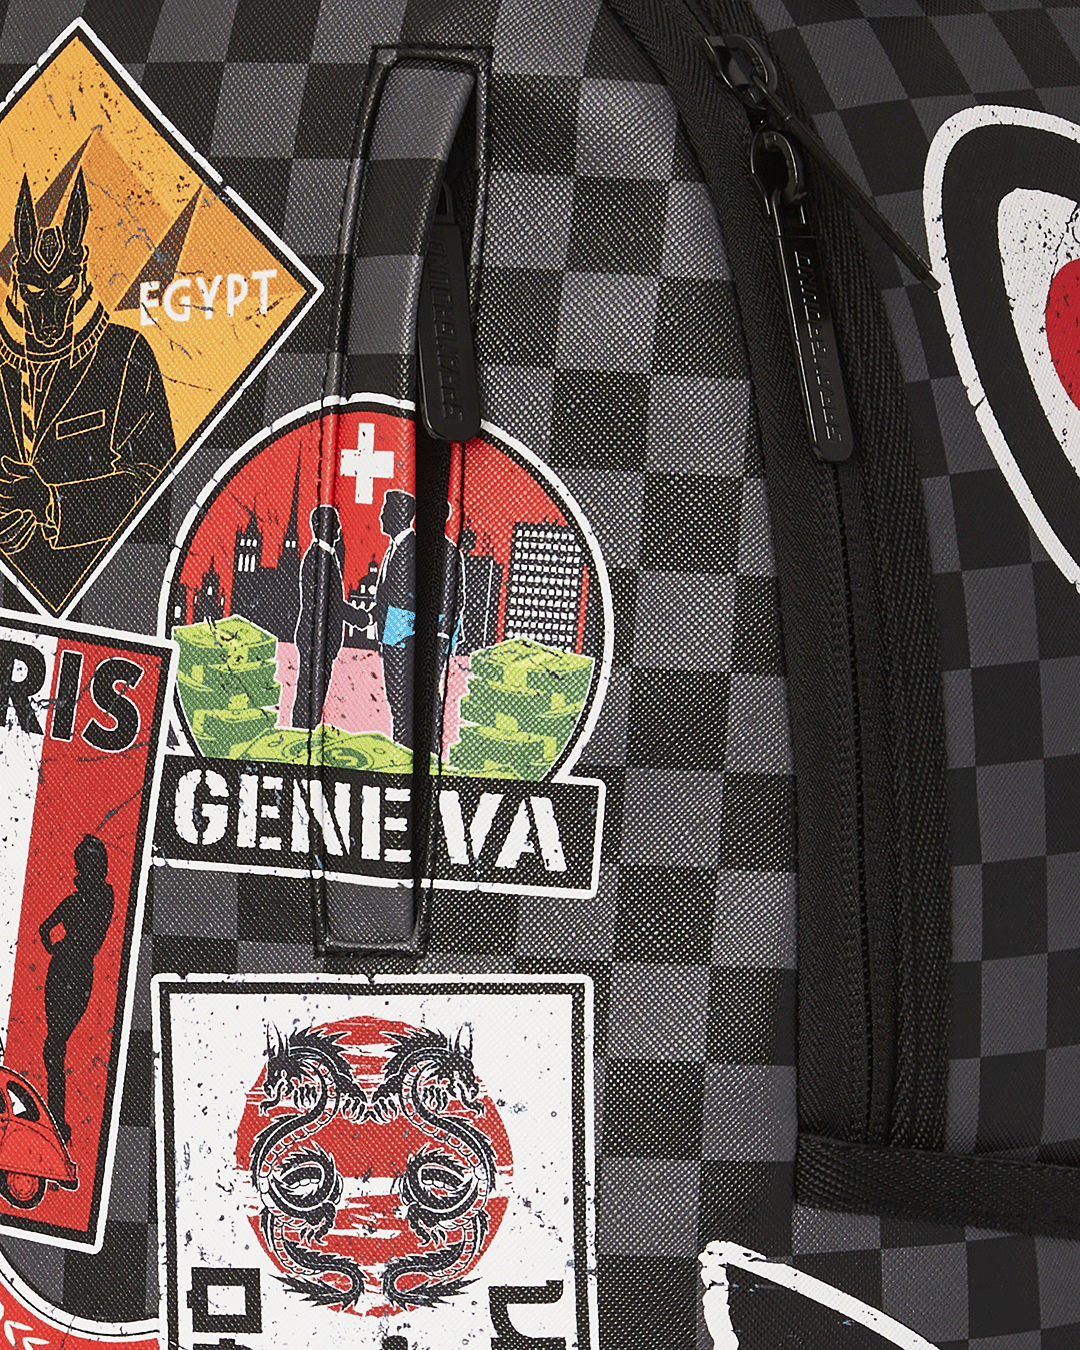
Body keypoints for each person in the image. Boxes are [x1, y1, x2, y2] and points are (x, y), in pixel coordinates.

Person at [38, 835, 114, 1145]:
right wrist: (57, 948)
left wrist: (58, 946)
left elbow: (49, 930)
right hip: (68, 971)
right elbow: (45, 929)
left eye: (84, 865)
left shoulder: (94, 898)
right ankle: (56, 1119)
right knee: (54, 1045)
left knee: (55, 1044)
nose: (81, 871)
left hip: (73, 971)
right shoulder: (83, 900)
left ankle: (57, 1120)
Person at [292, 504, 368, 729]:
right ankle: (302, 731)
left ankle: (304, 729)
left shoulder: (324, 557)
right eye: (336, 524)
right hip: (317, 639)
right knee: (310, 692)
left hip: (318, 638)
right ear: (324, 527)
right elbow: (332, 604)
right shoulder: (319, 558)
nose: (339, 528)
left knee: (312, 691)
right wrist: (362, 619)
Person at [371, 490, 417, 747]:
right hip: (392, 636)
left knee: (401, 701)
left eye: (385, 511)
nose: (380, 516)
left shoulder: (409, 548)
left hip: (399, 638)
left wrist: (397, 640)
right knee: (396, 701)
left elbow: (407, 601)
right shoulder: (395, 548)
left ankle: (403, 749)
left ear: (399, 515)